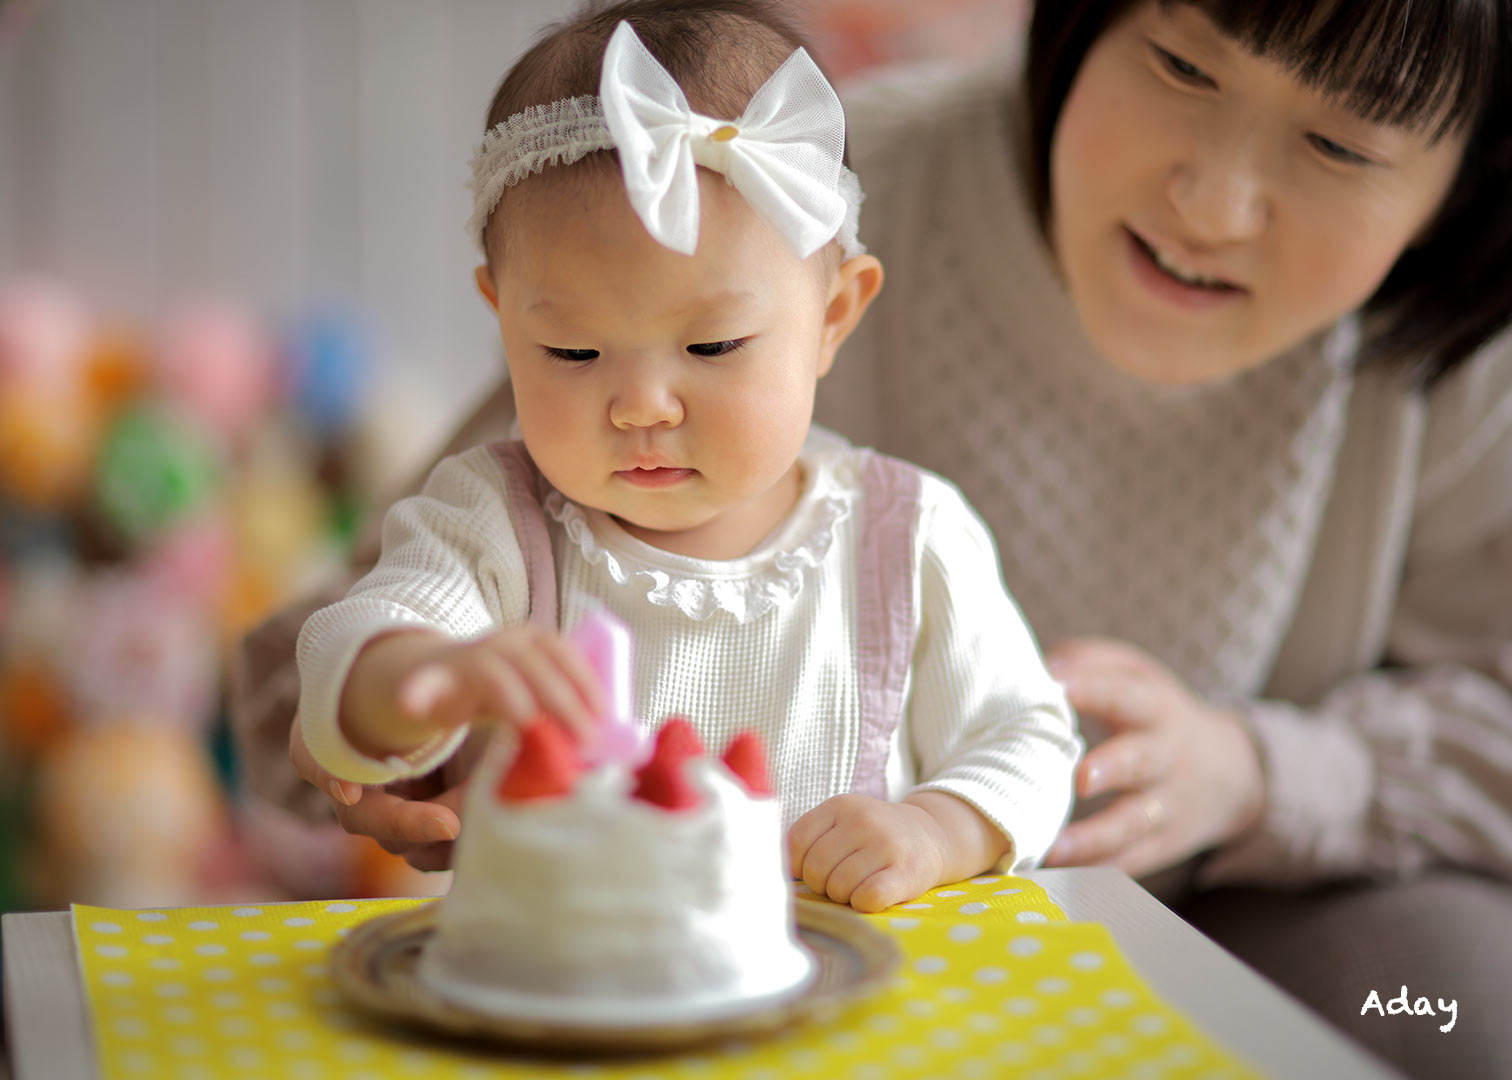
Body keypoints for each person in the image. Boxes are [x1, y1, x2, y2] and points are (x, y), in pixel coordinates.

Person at [232, 0, 1512, 1074]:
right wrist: (405, 714)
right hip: (616, 972)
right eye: (1181, 63)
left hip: (1124, 932)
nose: (1216, 200)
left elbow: (1027, 735)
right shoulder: (732, 209)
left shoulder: (901, 514)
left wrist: (1257, 776)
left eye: (1341, 144)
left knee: (1459, 1011)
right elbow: (336, 658)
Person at [286, 0, 1081, 917]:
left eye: (713, 348)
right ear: (502, 316)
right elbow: (353, 643)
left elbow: (1027, 735)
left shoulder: (906, 538)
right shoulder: (492, 521)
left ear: (833, 317)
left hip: (846, 1025)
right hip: (563, 1011)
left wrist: (939, 829)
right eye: (573, 354)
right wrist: (419, 683)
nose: (641, 405)